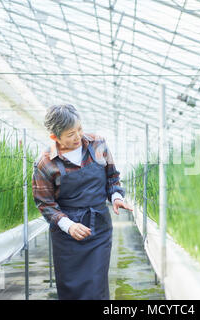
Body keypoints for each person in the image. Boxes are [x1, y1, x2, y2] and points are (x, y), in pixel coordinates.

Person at [32, 104, 133, 300]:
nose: (78, 136)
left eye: (79, 129)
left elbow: (112, 177)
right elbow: (45, 203)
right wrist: (68, 226)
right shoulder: (46, 162)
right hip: (67, 233)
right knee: (71, 289)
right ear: (55, 137)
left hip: (99, 227)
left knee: (96, 287)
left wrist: (116, 197)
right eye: (70, 134)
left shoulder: (97, 144)